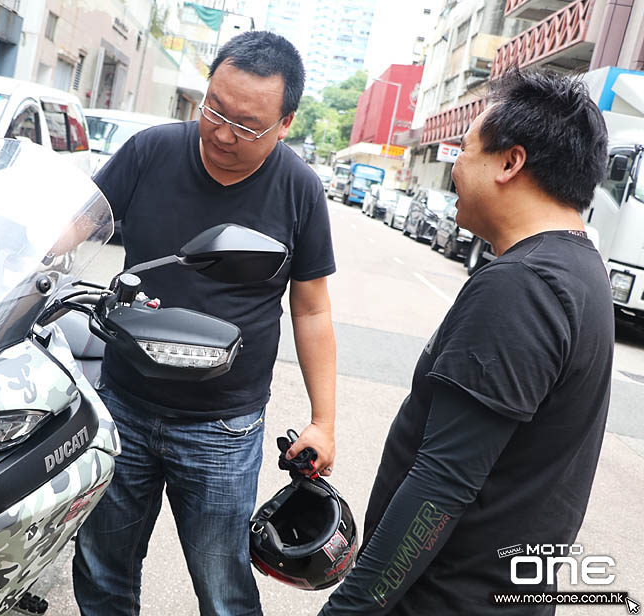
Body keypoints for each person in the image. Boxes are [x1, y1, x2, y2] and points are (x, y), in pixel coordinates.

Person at [319, 68, 613, 615]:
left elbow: (442, 482)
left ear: (509, 162)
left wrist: (351, 607)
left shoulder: (522, 285)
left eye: (466, 148)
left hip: (442, 600)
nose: (454, 164)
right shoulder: (580, 270)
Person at [73, 30, 338, 616]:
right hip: (123, 404)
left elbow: (312, 308)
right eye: (213, 108)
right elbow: (74, 228)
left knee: (223, 590)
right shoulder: (150, 152)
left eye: (246, 125)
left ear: (285, 122)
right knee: (102, 567)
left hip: (222, 427)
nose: (221, 133)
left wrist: (324, 422)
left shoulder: (299, 189)